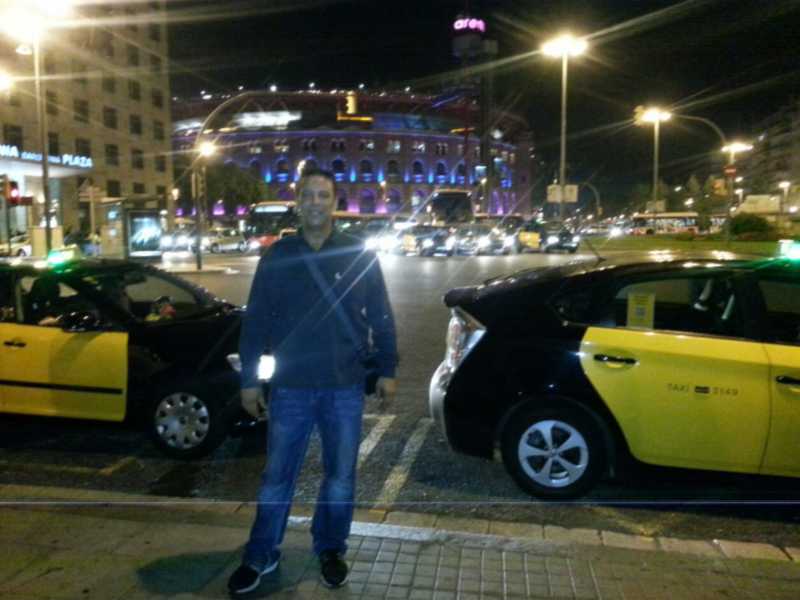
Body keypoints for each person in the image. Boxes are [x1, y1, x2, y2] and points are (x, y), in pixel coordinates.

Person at [228, 168, 398, 596]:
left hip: (344, 384)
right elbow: (256, 320)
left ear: (334, 202)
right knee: (276, 476)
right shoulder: (279, 255)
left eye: (323, 195)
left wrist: (388, 368)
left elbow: (380, 313)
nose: (316, 202)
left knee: (340, 476)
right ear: (298, 202)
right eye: (308, 195)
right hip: (291, 386)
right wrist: (250, 380)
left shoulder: (357, 251)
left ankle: (331, 548)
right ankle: (261, 552)